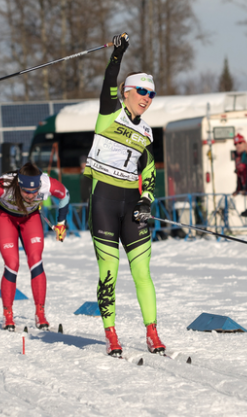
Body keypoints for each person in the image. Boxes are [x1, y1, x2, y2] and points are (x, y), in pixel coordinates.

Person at [83, 33, 165, 358]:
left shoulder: (146, 131)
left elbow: (149, 172)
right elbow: (106, 82)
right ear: (126, 93)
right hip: (103, 201)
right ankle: (111, 334)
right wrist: (118, 53)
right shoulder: (109, 113)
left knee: (142, 272)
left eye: (151, 93)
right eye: (141, 91)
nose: (147, 97)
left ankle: (152, 332)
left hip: (132, 205)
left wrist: (147, 201)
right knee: (109, 273)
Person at [0, 162, 69, 331]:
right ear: (18, 185)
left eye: (34, 191)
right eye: (26, 191)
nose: (31, 196)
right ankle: (8, 315)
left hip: (30, 217)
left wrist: (61, 223)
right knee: (12, 263)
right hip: (5, 218)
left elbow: (65, 195)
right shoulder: (4, 185)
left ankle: (40, 314)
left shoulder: (47, 183)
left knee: (36, 260)